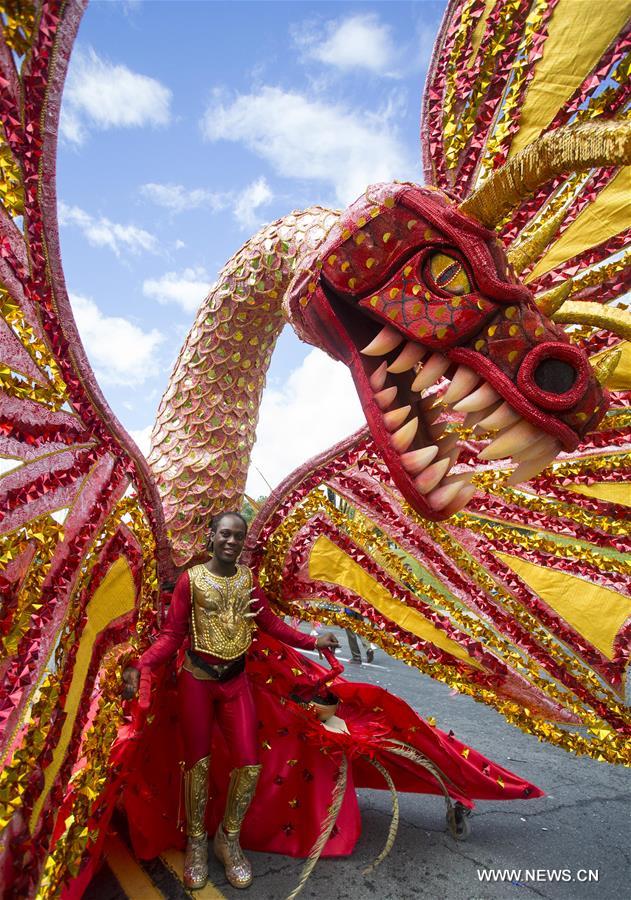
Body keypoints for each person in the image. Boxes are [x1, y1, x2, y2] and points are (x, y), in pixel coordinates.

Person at [122, 511, 339, 891]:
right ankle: (195, 843)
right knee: (197, 765)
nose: (231, 541)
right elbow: (172, 635)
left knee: (249, 764)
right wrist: (143, 663)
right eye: (225, 534)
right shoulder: (192, 580)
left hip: (235, 681)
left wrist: (312, 641)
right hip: (197, 681)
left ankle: (228, 838)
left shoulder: (247, 580)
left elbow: (270, 623)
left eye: (238, 537)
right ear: (211, 537)